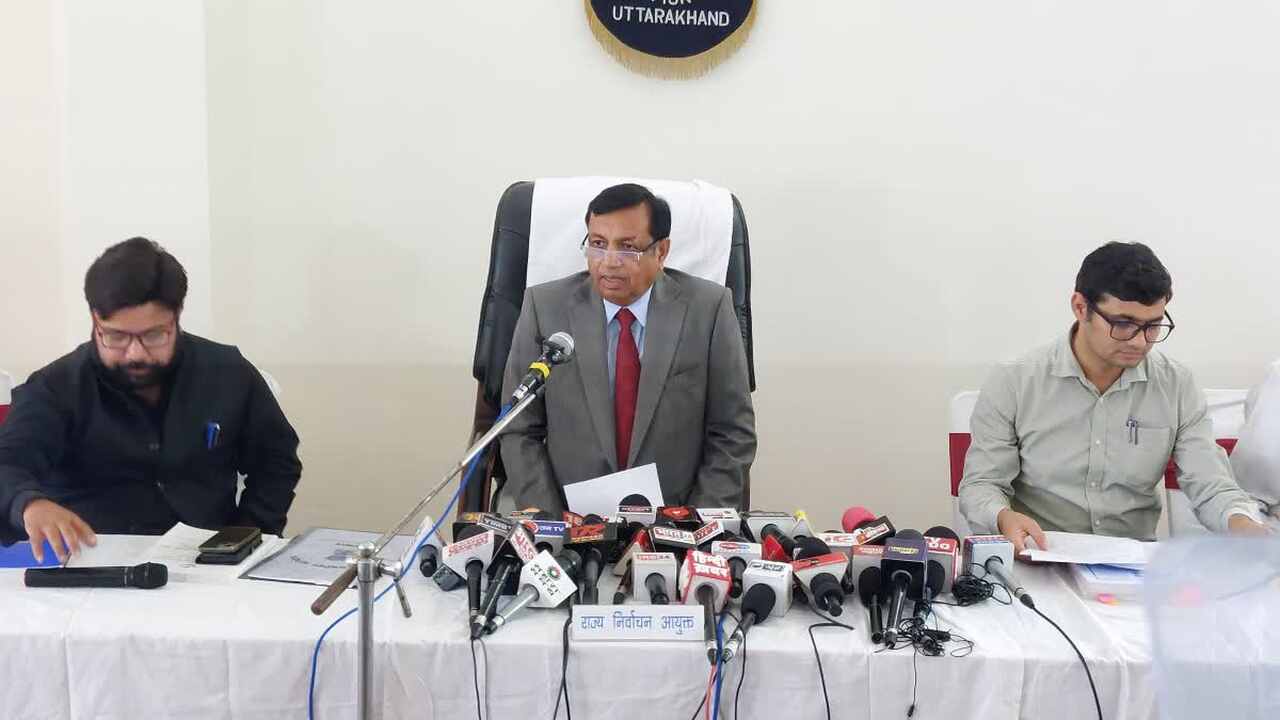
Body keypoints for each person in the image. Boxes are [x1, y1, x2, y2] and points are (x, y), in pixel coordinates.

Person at [0, 237, 302, 561]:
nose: (135, 354)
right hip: (93, 563)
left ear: (177, 317)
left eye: (154, 335)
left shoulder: (228, 372)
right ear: (95, 320)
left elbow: (276, 461)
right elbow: (9, 462)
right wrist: (29, 503)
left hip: (210, 563)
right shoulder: (55, 387)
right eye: (116, 336)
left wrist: (247, 533)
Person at [959, 241, 1268, 550]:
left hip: (1132, 563)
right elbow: (981, 485)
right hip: (1040, 555)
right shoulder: (1014, 381)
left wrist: (1243, 525)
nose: (1139, 342)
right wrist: (1002, 517)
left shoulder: (1176, 385)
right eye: (1123, 324)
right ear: (1080, 307)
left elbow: (1211, 485)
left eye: (1153, 325)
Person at [499, 183, 756, 513]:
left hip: (676, 519)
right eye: (598, 244)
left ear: (661, 251)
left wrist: (694, 523)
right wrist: (550, 522)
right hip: (567, 519)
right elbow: (519, 428)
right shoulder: (544, 308)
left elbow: (733, 432)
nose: (608, 263)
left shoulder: (708, 310)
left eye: (627, 248)